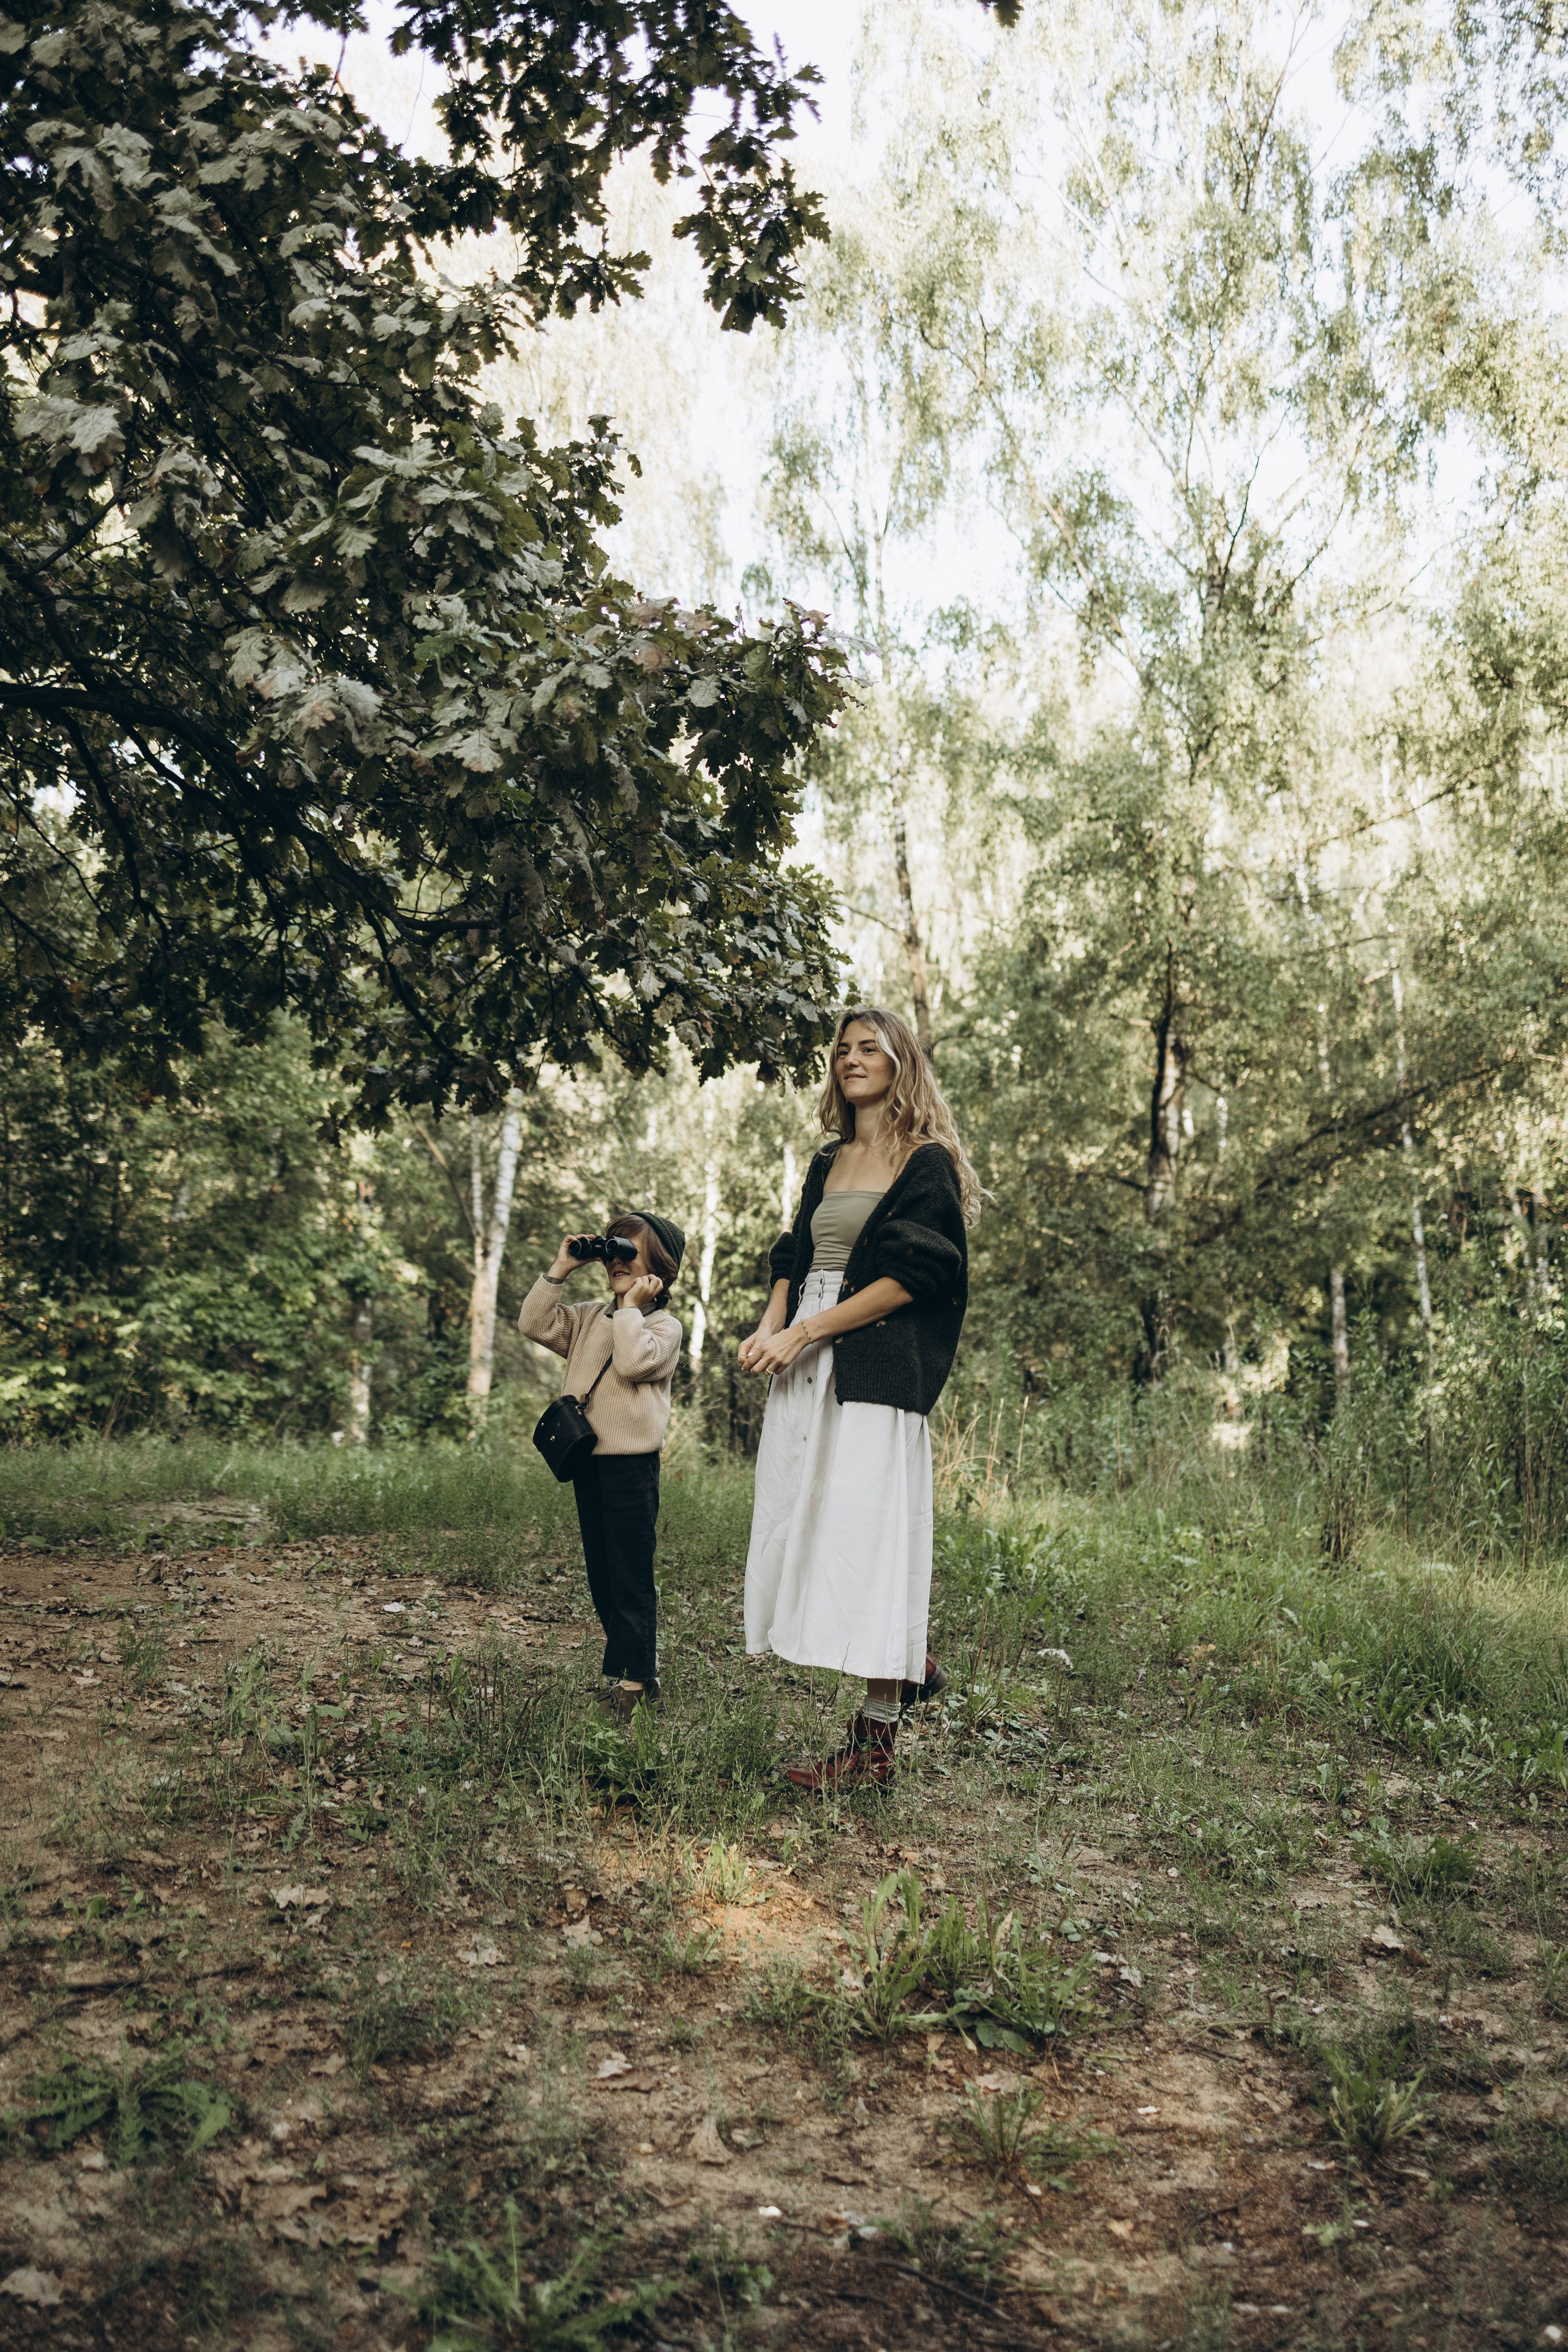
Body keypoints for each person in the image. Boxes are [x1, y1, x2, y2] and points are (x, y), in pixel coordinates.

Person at [739, 1006, 982, 1789]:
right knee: (808, 1523)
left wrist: (810, 1333)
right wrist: (775, 1322)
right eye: (841, 1049)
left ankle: (874, 1744)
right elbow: (795, 1250)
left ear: (900, 1063)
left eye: (868, 1048)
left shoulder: (924, 1163)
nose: (850, 1058)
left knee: (866, 1537)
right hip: (805, 1360)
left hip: (873, 1368)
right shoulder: (829, 1160)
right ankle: (910, 1661)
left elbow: (915, 1276)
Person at [518, 1212, 685, 1724]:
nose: (615, 1259)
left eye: (629, 1252)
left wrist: (631, 1308)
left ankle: (633, 1683)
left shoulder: (663, 1326)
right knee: (602, 1576)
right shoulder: (591, 1317)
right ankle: (637, 1669)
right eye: (612, 1250)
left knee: (630, 1574)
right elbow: (533, 1323)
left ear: (659, 1268)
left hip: (632, 1468)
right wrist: (561, 1268)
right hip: (587, 1460)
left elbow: (635, 1364)